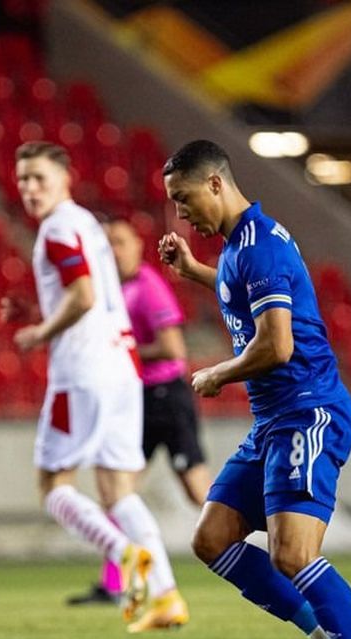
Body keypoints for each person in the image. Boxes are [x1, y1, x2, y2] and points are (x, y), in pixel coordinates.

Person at [159, 140, 351, 639]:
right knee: (211, 539)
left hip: (308, 411)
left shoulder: (261, 247)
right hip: (274, 420)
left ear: (216, 184)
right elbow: (240, 294)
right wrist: (194, 272)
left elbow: (278, 344)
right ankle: (323, 636)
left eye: (184, 199)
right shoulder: (234, 247)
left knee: (293, 553)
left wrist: (220, 373)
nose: (181, 214)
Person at [4, 140, 187, 633]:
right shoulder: (86, 222)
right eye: (22, 179)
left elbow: (82, 296)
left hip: (82, 371)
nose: (29, 188)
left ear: (66, 178)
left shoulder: (58, 228)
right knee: (117, 490)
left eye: (39, 177)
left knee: (52, 485)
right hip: (122, 366)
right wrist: (44, 314)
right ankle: (166, 595)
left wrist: (41, 332)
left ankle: (125, 555)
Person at [66, 218, 211, 607]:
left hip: (167, 399)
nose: (114, 249)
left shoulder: (148, 288)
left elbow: (174, 349)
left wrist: (121, 350)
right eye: (108, 242)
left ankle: (261, 553)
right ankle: (113, 584)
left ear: (136, 247)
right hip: (138, 401)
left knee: (199, 492)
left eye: (121, 241)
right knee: (116, 491)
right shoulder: (112, 291)